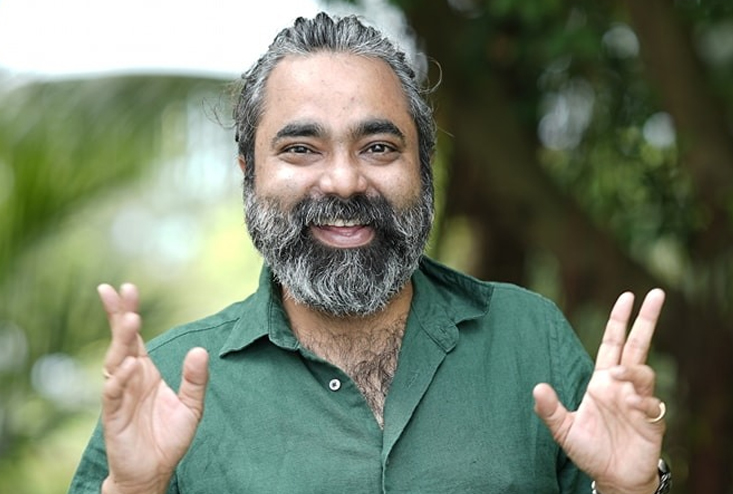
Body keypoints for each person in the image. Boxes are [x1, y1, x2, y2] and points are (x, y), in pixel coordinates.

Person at [69, 12, 670, 494]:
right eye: (301, 149)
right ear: (249, 172)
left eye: (379, 147)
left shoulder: (529, 338)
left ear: (423, 167)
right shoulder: (169, 380)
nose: (344, 181)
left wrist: (628, 489)